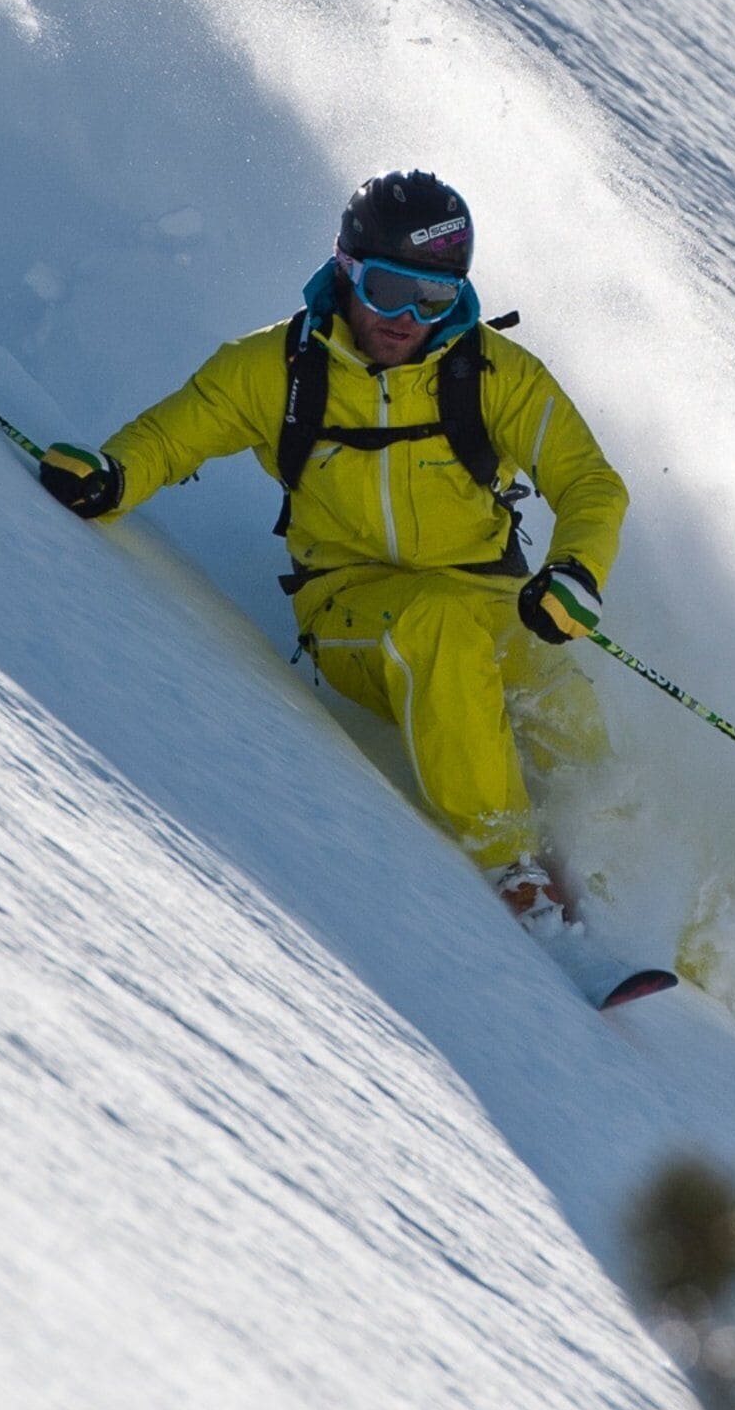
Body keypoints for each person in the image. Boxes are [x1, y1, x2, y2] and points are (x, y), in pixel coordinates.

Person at [33, 172, 626, 932]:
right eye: (388, 289)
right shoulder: (278, 368)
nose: (408, 318)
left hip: (489, 596)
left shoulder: (491, 374)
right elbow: (177, 433)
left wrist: (576, 570)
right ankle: (513, 861)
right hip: (350, 611)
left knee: (585, 740)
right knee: (433, 625)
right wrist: (112, 478)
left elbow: (590, 482)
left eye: (435, 298)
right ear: (346, 268)